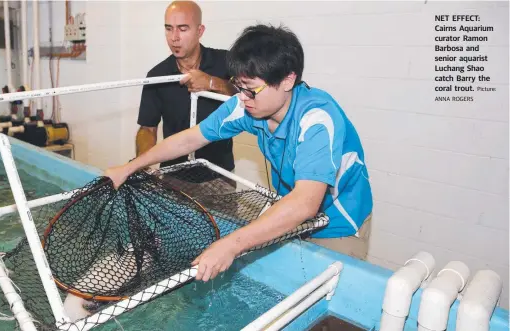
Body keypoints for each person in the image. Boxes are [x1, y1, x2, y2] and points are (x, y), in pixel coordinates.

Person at [107, 24, 373, 282]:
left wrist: (231, 245)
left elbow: (305, 203)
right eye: (238, 85)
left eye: (251, 89)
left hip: (338, 221)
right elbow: (189, 139)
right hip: (291, 208)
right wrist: (130, 167)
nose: (242, 97)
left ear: (288, 79)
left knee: (326, 301)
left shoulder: (317, 119)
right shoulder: (248, 106)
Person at [136, 0, 237, 172]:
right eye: (169, 28)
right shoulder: (157, 75)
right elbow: (147, 128)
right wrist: (141, 165)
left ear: (200, 31)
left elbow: (248, 98)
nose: (174, 37)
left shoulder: (225, 62)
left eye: (183, 29)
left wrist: (213, 83)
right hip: (173, 174)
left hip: (219, 174)